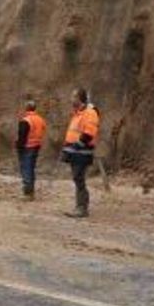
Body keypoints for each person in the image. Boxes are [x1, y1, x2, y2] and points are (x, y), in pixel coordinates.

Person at [61, 88, 100, 218]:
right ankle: (80, 206)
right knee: (77, 179)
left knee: (79, 179)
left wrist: (77, 145)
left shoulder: (89, 113)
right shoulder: (79, 113)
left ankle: (82, 208)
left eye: (73, 96)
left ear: (80, 98)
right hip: (76, 152)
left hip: (81, 152)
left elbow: (89, 132)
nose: (71, 99)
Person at [15, 99, 47, 199]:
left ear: (26, 108)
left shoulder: (25, 120)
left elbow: (22, 137)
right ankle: (31, 191)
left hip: (27, 147)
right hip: (36, 146)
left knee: (26, 169)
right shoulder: (40, 119)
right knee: (31, 169)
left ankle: (28, 192)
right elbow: (43, 130)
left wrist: (19, 147)